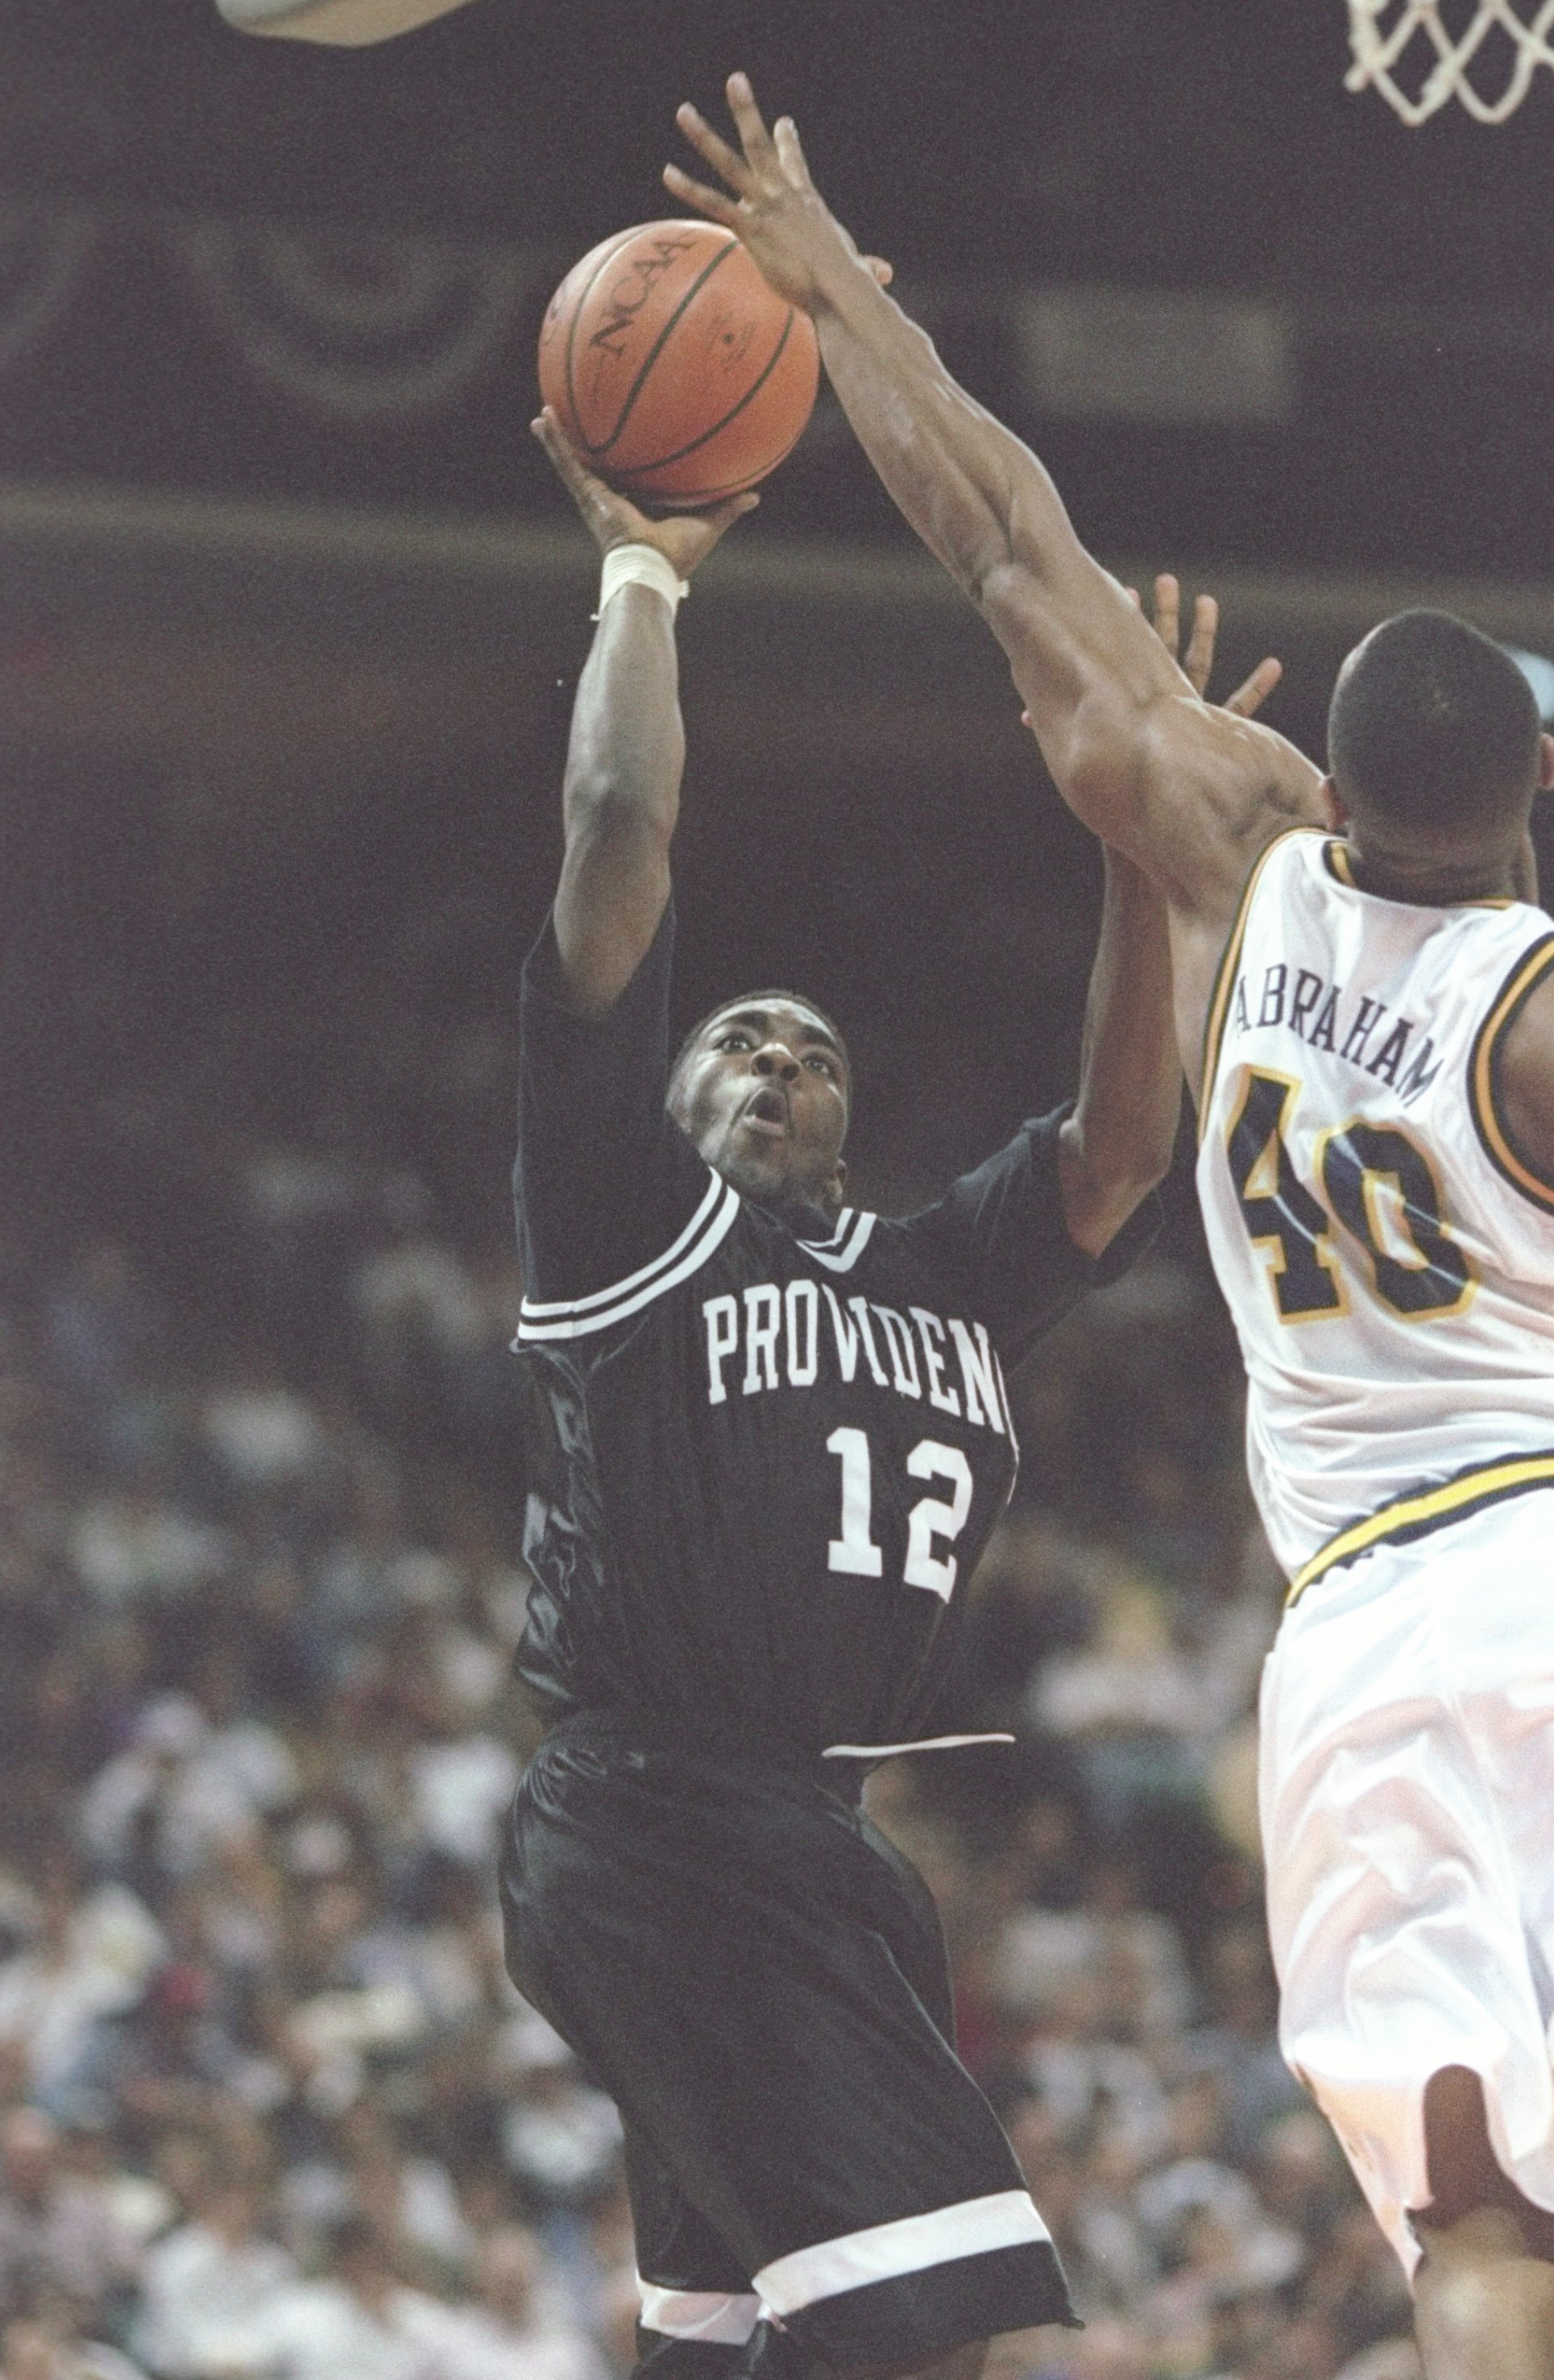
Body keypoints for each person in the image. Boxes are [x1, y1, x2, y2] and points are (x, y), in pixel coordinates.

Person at [661, 73, 1554, 2380]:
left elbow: (1008, 542)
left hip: (1344, 1651)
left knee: (1481, 2214)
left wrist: (828, 291)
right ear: (1545, 779)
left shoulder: (1230, 854)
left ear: (1340, 783)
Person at [498, 402, 1274, 2380]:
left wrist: (1135, 848)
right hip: (665, 1822)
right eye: (736, 1042)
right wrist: (642, 577)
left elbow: (1118, 1148)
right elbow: (617, 834)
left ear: (850, 1120)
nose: (773, 1060)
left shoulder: (940, 1271)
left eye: (812, 1051)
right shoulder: (623, 1219)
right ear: (670, 1097)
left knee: (730, 2344)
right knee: (980, 2338)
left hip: (808, 1846)